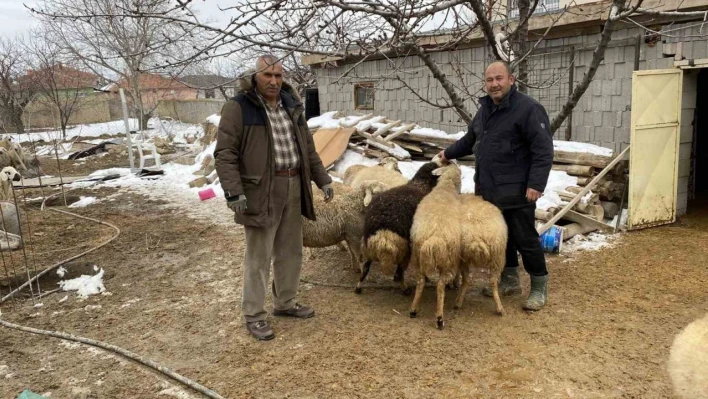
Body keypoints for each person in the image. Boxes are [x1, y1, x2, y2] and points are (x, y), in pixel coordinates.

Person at [214, 55, 334, 340]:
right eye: (267, 75)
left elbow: (308, 149)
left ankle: (286, 303)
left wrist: (323, 179)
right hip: (260, 190)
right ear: (255, 76)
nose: (274, 81)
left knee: (291, 250)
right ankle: (254, 315)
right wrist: (233, 191)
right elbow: (225, 154)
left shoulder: (292, 106)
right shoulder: (239, 108)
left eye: (279, 76)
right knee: (258, 256)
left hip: (294, 185)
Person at [438, 61, 554, 311]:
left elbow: (543, 149)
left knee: (525, 238)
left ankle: (539, 285)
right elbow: (470, 140)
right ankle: (509, 280)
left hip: (518, 190)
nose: (494, 84)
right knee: (502, 240)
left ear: (511, 80)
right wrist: (447, 153)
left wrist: (536, 183)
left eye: (499, 78)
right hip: (490, 190)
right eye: (489, 80)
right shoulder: (485, 110)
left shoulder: (528, 109)